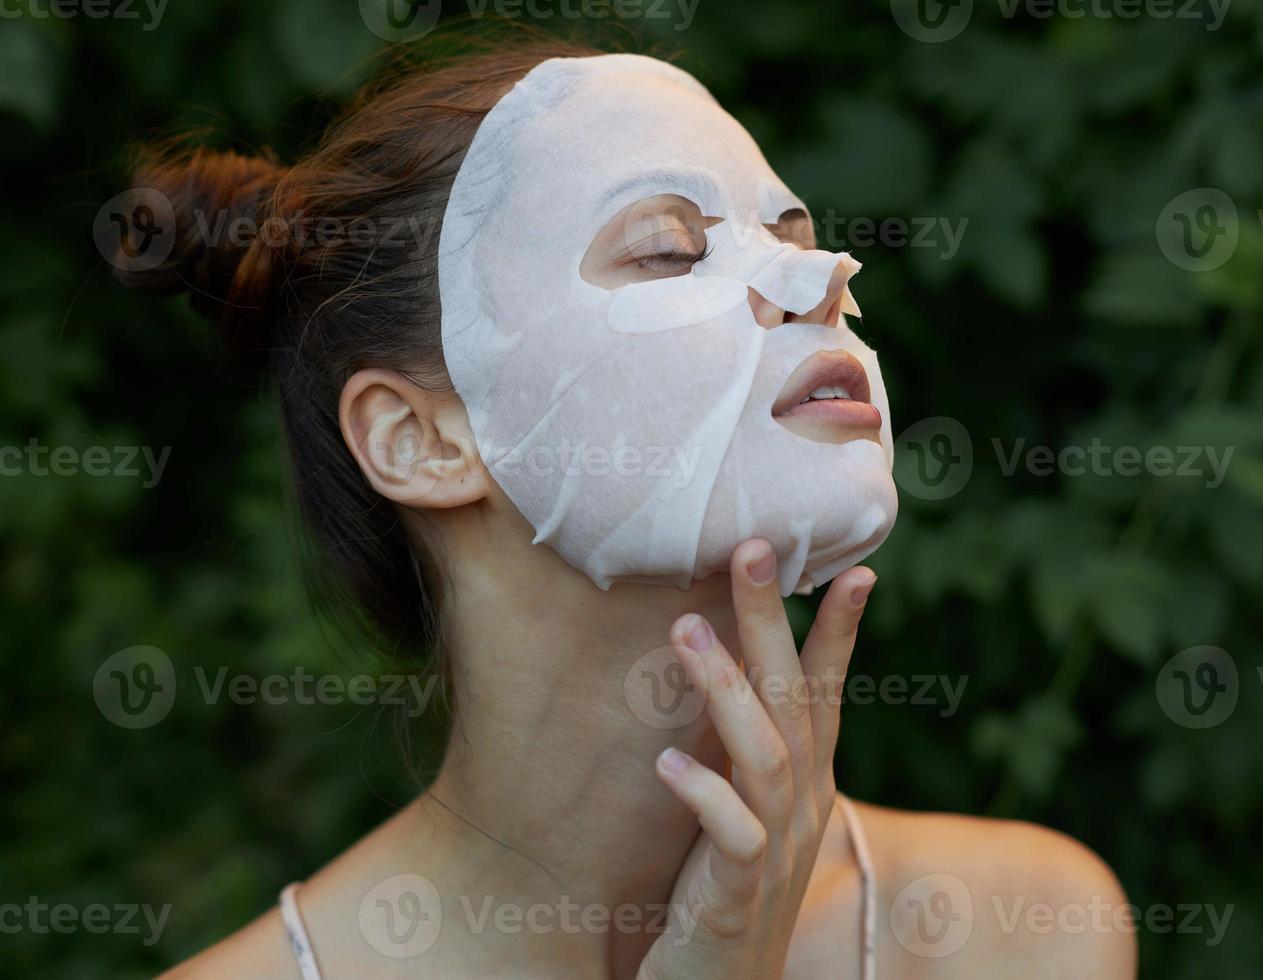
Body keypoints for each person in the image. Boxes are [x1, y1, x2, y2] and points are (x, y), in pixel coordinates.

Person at [119, 34, 1135, 980]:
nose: (821, 278)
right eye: (670, 250)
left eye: (795, 233)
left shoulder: (1022, 932)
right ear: (418, 438)